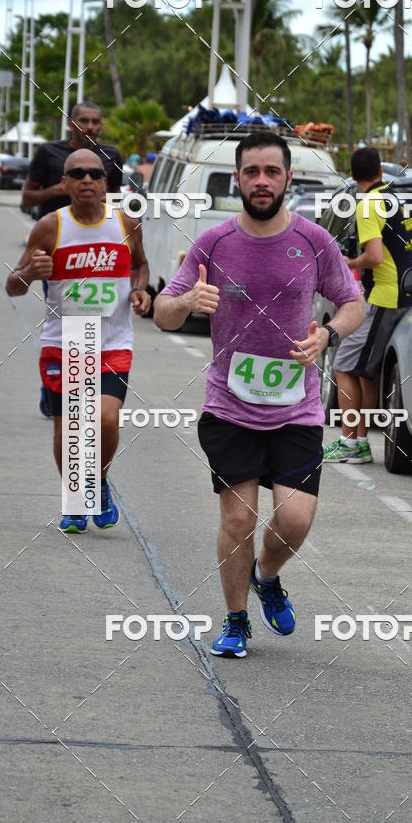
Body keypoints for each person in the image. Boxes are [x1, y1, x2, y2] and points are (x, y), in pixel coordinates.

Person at [154, 131, 365, 658]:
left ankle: (265, 575)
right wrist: (187, 302)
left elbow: (353, 301)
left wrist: (328, 334)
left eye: (272, 172)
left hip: (296, 408)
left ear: (288, 178)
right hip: (230, 406)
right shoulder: (214, 242)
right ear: (238, 179)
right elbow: (162, 312)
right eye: (252, 172)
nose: (262, 181)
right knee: (238, 519)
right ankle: (235, 621)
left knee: (294, 519)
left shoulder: (315, 241)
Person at [6, 149, 151, 533]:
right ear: (65, 183)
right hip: (65, 341)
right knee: (69, 427)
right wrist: (30, 273)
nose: (87, 179)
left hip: (113, 341)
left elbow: (140, 264)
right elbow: (13, 286)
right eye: (78, 174)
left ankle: (97, 481)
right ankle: (74, 497)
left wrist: (140, 290)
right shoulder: (50, 227)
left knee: (106, 418)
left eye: (95, 174)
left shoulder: (125, 222)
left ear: (105, 183)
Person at [22, 101, 124, 419]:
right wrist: (57, 190)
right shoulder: (49, 153)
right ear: (71, 123)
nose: (90, 126)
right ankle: (54, 387)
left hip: (98, 249)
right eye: (84, 121)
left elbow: (116, 199)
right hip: (57, 248)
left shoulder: (111, 156)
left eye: (96, 121)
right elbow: (26, 197)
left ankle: (90, 384)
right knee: (66, 318)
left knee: (94, 317)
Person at [323, 146, 412, 464]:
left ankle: (349, 442)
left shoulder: (367, 206)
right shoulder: (398, 200)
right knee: (365, 372)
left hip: (381, 298)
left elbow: (375, 257)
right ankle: (361, 442)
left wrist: (348, 262)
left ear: (352, 175)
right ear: (380, 171)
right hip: (405, 295)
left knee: (342, 365)